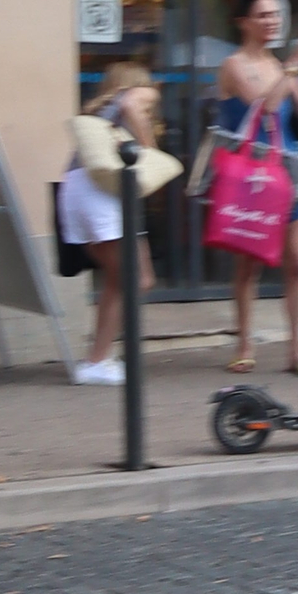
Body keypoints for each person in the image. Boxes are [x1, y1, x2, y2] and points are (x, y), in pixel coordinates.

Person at [207, 0, 298, 373]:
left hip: (291, 170)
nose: (272, 21)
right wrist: (296, 58)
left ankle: (297, 351)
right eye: (263, 15)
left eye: (276, 14)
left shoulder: (281, 65)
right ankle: (245, 345)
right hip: (252, 176)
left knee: (297, 261)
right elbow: (265, 108)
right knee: (250, 263)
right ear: (243, 22)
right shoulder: (234, 65)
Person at [58, 67, 178, 385]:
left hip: (78, 188)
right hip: (101, 193)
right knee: (135, 277)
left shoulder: (101, 112)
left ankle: (99, 359)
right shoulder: (139, 94)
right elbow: (131, 106)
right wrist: (149, 148)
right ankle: (98, 360)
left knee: (126, 278)